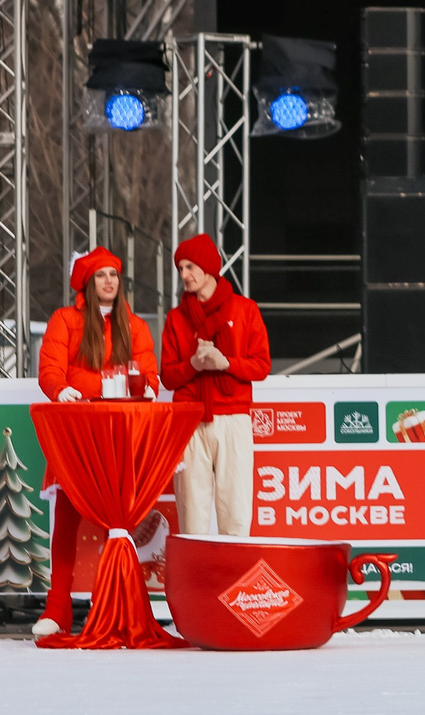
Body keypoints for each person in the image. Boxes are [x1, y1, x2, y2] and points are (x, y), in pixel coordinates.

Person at [32, 248, 159, 636]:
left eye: (114, 275)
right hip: (76, 436)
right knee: (67, 522)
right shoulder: (65, 320)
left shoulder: (134, 326)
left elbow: (148, 371)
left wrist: (150, 387)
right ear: (88, 282)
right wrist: (61, 390)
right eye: (101, 275)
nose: (109, 281)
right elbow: (49, 369)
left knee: (116, 525)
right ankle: (56, 610)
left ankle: (118, 608)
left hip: (117, 436)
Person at [161, 234, 271, 537]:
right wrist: (194, 365)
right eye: (180, 268)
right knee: (192, 516)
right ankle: (197, 584)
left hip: (233, 419)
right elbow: (167, 377)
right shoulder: (176, 318)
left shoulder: (245, 310)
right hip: (190, 420)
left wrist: (227, 363)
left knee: (235, 513)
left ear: (209, 267)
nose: (184, 275)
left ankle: (234, 583)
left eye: (190, 267)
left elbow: (262, 366)